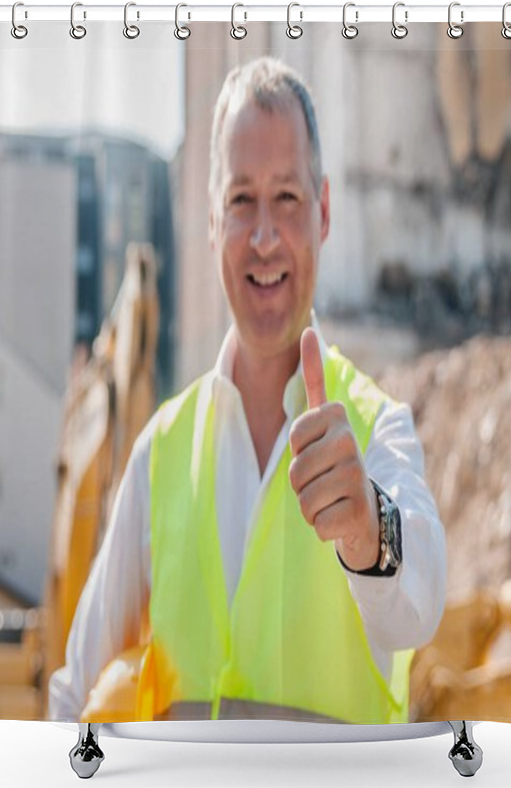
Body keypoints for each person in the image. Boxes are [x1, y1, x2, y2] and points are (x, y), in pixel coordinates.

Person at [48, 57, 446, 725]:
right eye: (241, 201)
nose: (264, 237)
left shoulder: (377, 431)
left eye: (287, 198)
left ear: (322, 212)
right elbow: (73, 693)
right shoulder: (159, 454)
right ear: (211, 224)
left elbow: (422, 601)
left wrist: (366, 528)